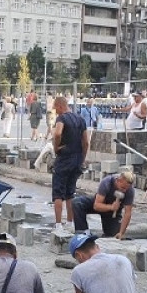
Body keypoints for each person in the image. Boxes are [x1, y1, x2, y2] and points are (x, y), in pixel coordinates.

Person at [50, 97, 88, 230]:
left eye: (55, 108)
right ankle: (70, 222)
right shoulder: (81, 120)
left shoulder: (61, 118)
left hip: (64, 158)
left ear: (60, 106)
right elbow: (86, 142)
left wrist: (56, 147)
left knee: (58, 192)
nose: (55, 111)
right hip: (77, 159)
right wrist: (82, 158)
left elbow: (57, 134)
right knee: (70, 192)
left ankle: (58, 224)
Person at [71, 171, 136, 238]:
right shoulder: (107, 182)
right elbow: (96, 206)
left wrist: (121, 233)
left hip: (112, 213)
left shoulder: (130, 190)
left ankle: (110, 232)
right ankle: (82, 233)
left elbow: (128, 213)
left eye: (126, 189)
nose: (124, 191)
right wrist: (111, 207)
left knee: (114, 235)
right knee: (77, 203)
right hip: (101, 204)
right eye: (123, 188)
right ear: (118, 181)